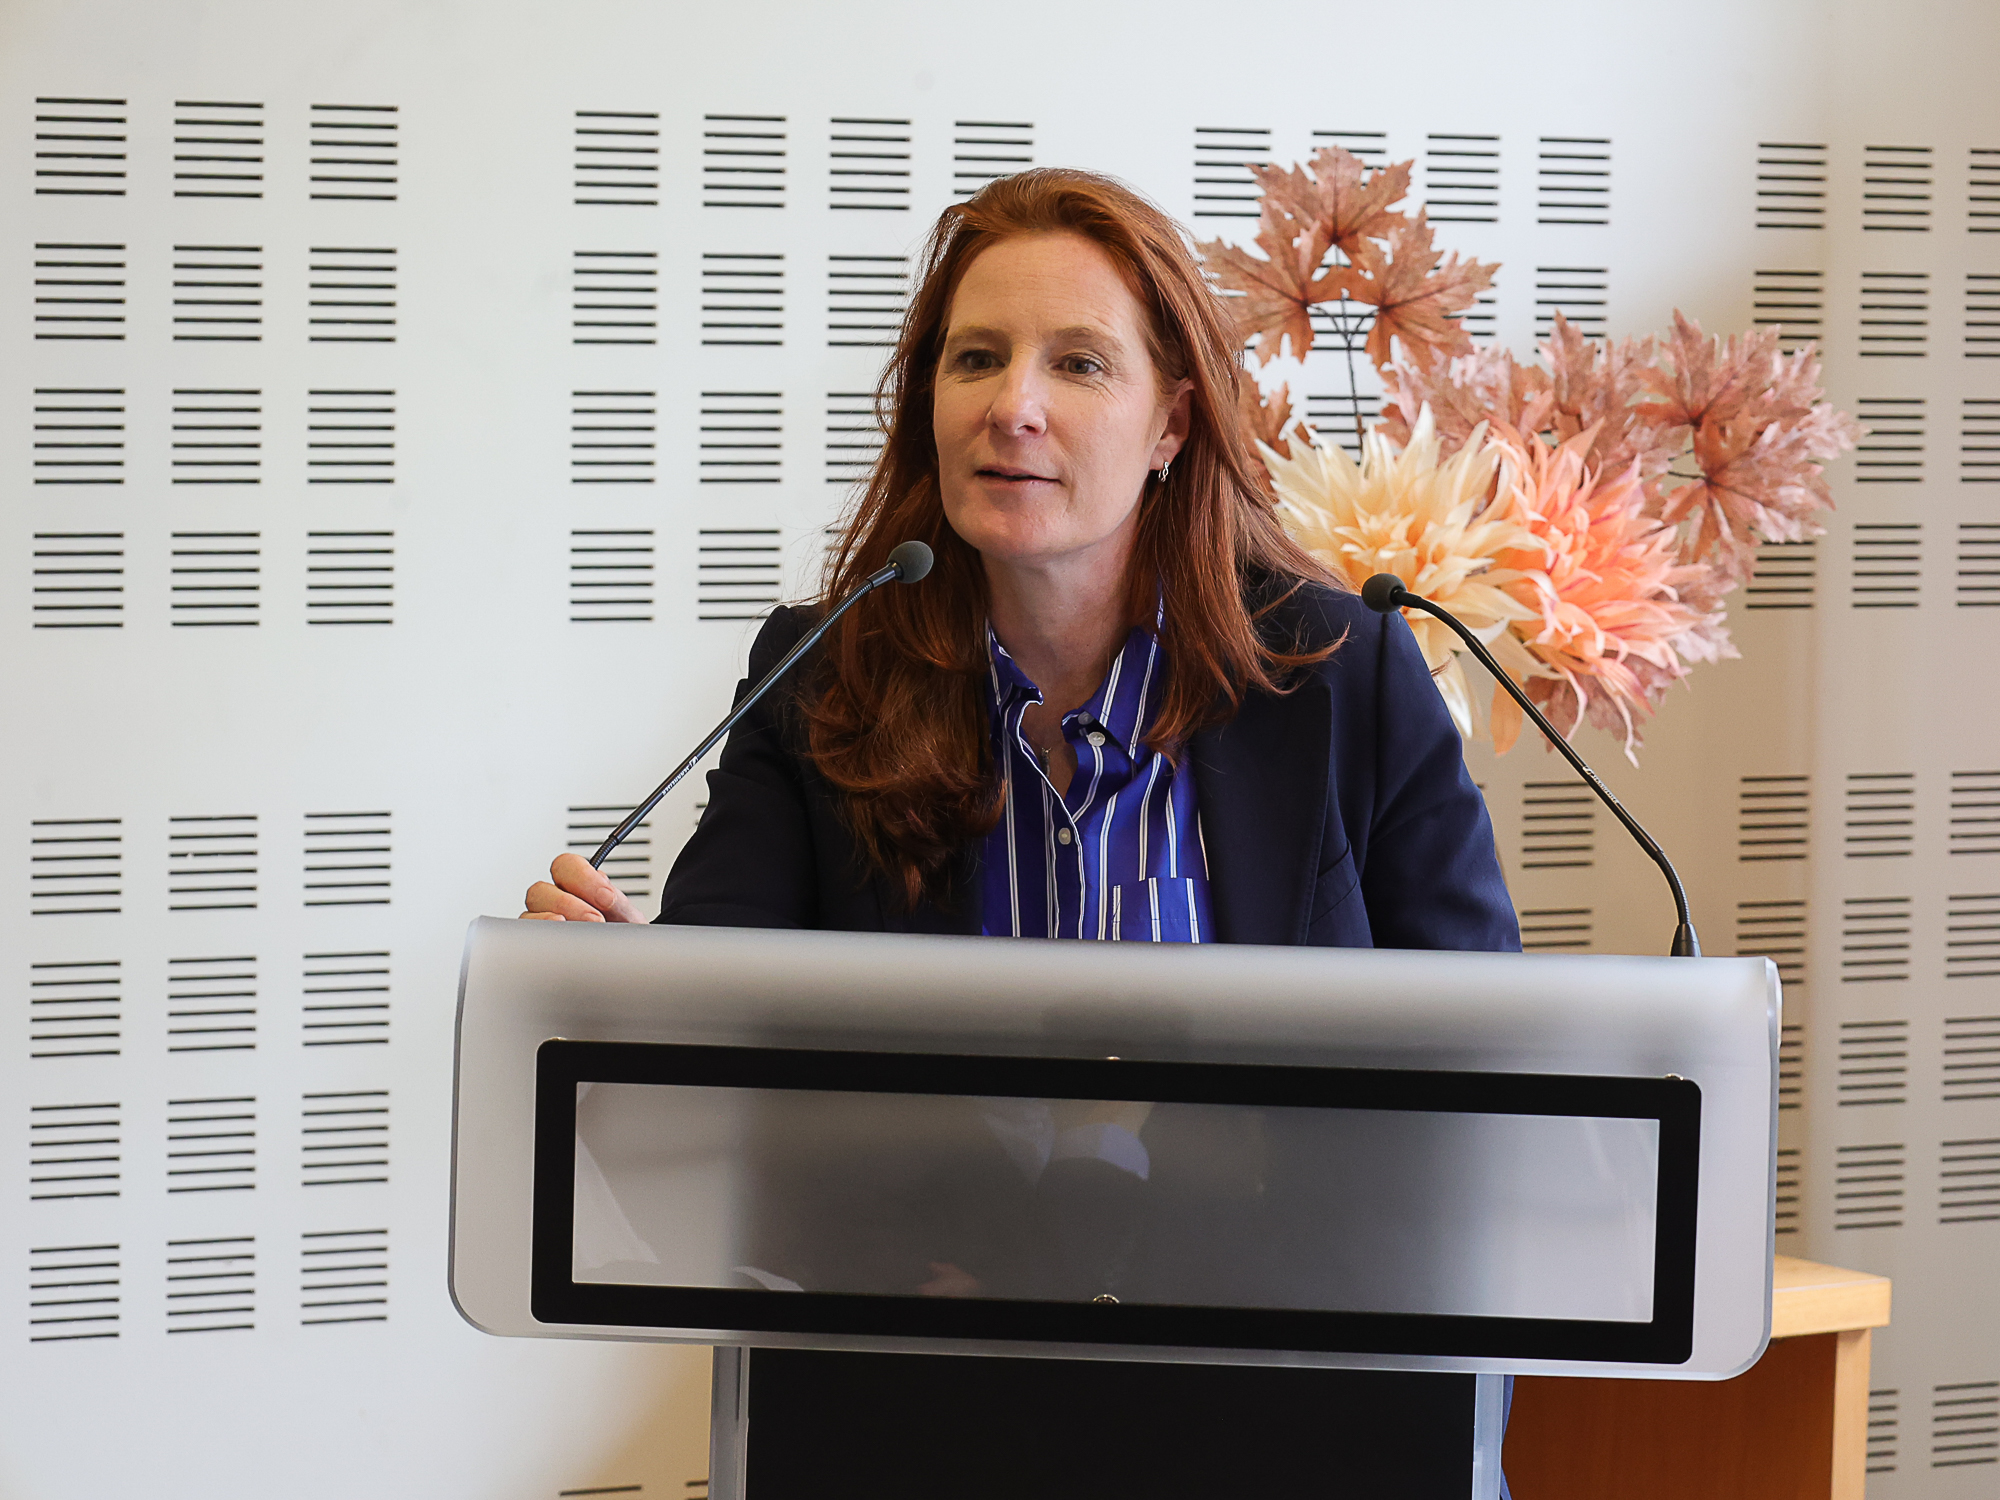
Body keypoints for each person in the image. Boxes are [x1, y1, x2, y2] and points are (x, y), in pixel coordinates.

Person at [524, 167, 1519, 1497]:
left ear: (1173, 423)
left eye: (1080, 363)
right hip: (921, 1402)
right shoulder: (823, 674)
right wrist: (614, 988)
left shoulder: (1342, 677)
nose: (1014, 406)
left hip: (1284, 1402)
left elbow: (1489, 1089)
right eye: (976, 357)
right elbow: (728, 1073)